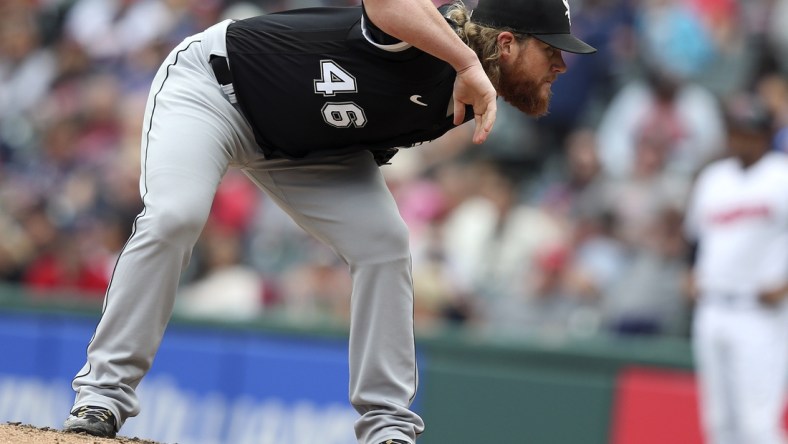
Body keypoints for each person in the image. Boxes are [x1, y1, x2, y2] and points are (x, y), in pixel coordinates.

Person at [60, 0, 596, 443]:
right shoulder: (438, 40)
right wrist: (464, 62)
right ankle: (102, 396)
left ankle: (388, 428)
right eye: (551, 51)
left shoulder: (470, 94)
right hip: (215, 90)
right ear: (506, 43)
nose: (561, 67)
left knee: (385, 244)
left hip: (308, 147)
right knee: (175, 216)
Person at [683, 104, 788, 444]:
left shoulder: (781, 176)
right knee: (719, 425)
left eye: (748, 133)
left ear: (765, 135)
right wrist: (691, 272)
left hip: (759, 313)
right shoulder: (714, 178)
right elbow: (695, 239)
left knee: (757, 425)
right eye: (735, 132)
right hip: (712, 308)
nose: (740, 140)